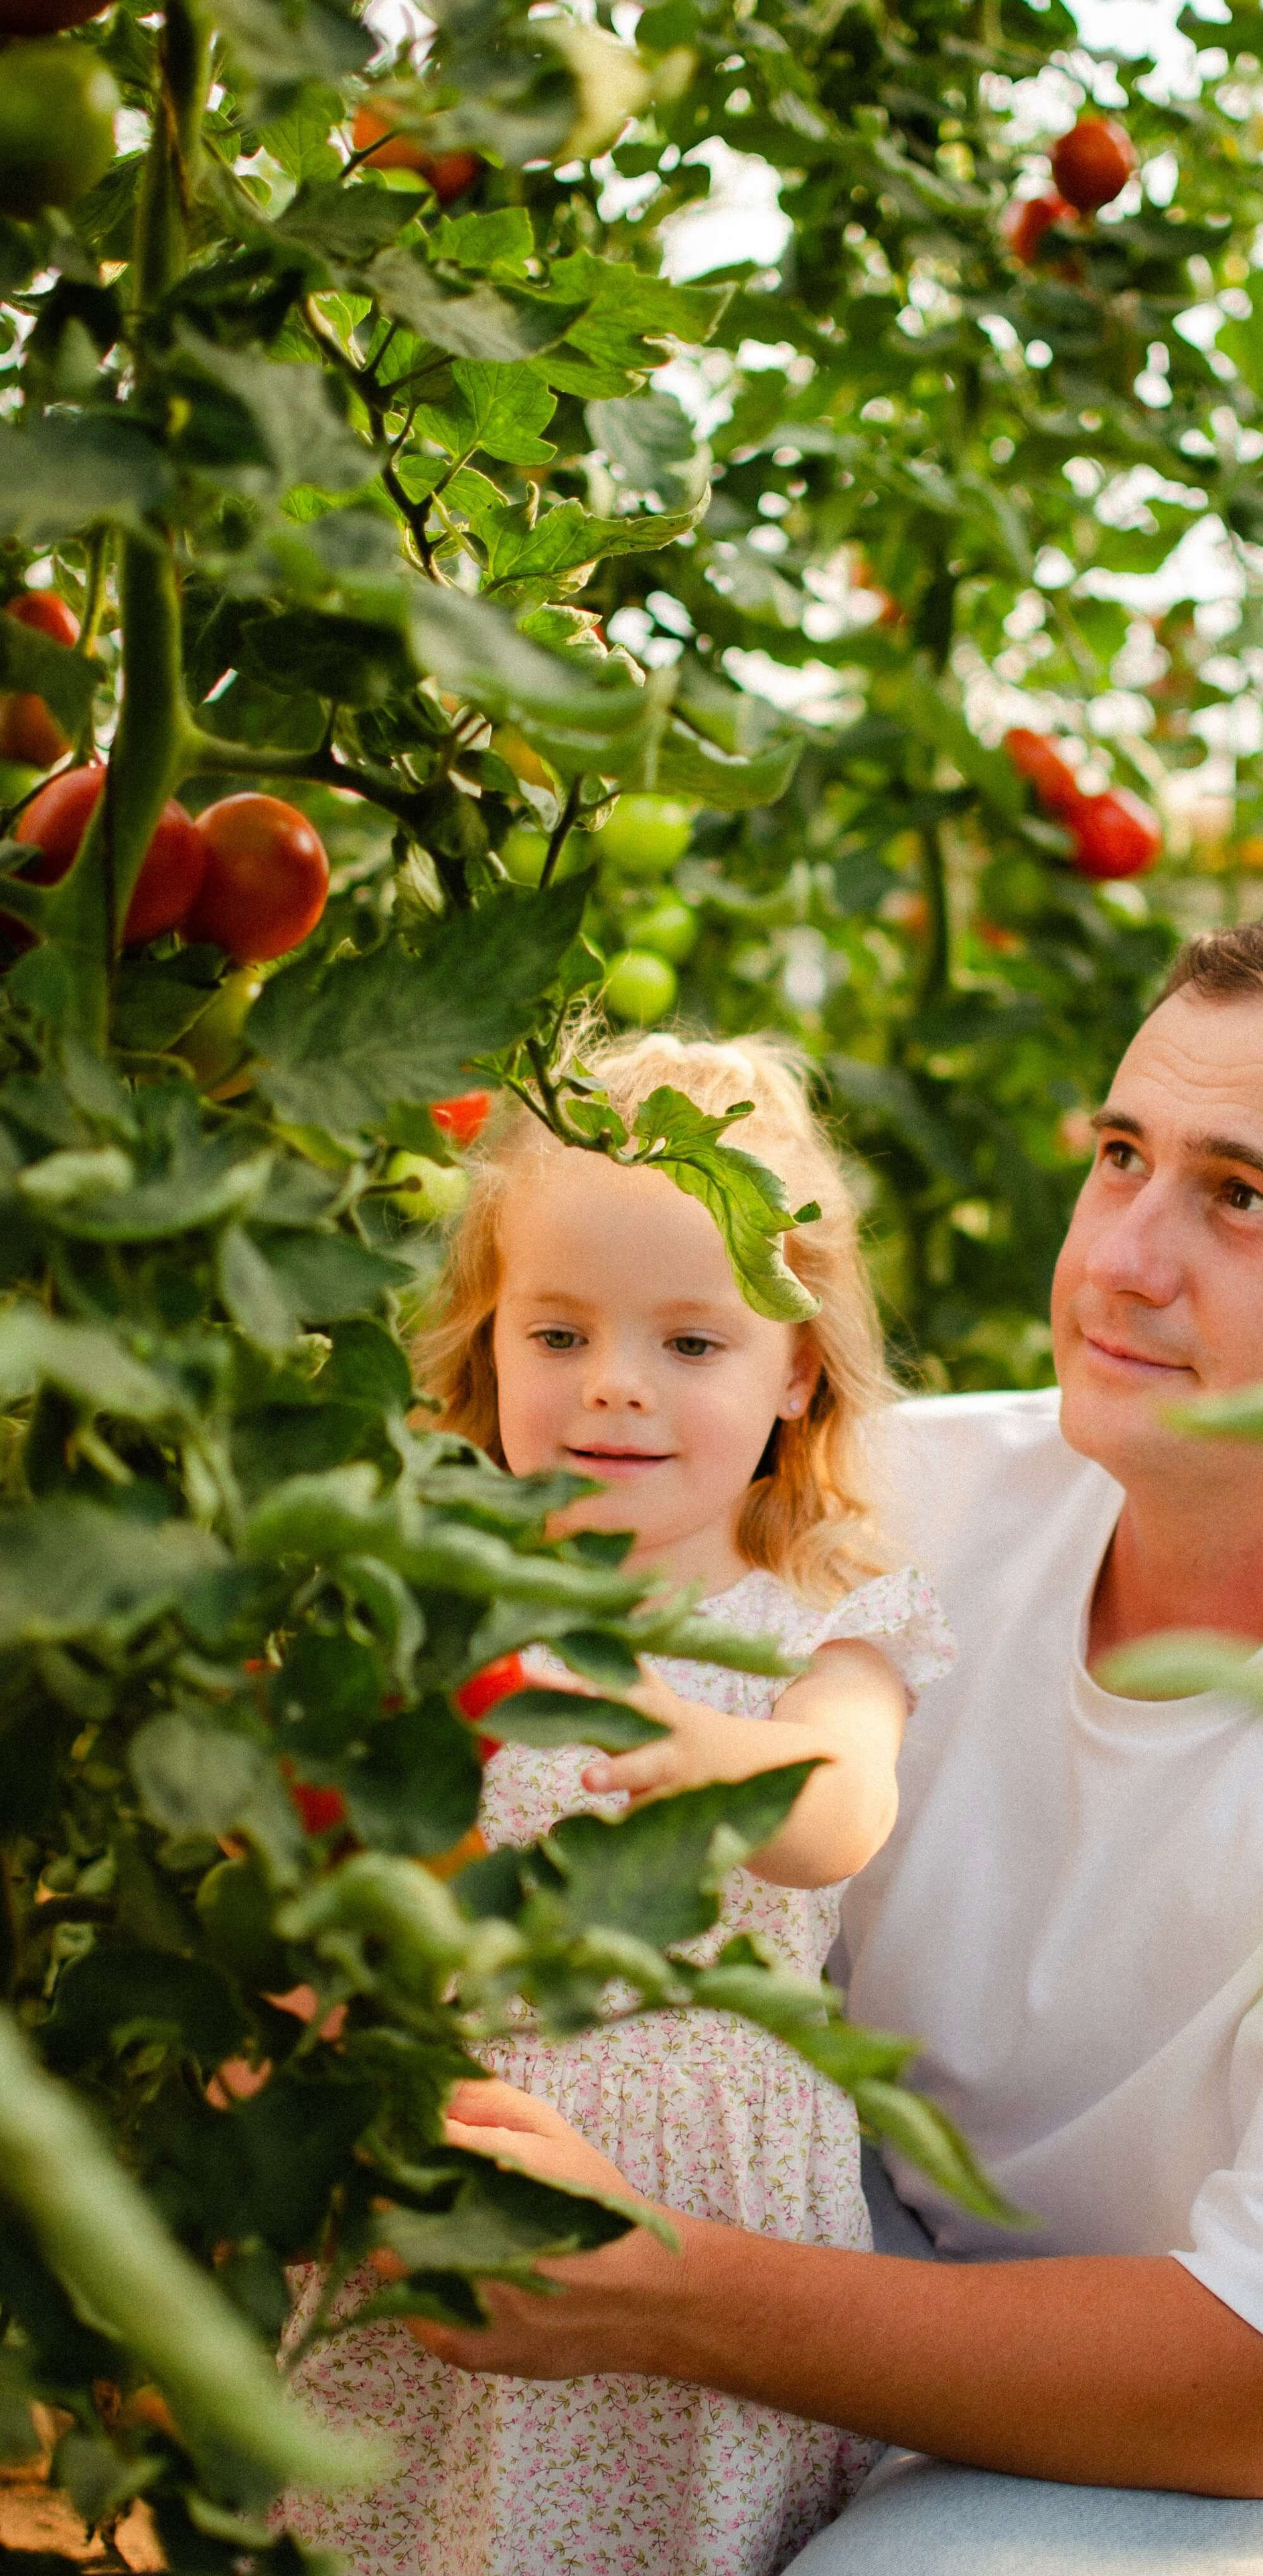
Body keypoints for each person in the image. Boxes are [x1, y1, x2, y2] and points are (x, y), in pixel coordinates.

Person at [404, 902, 1263, 2575]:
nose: (1120, 1258)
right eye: (1118, 1155)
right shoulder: (903, 1505)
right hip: (904, 2282)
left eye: (1238, 1198)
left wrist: (659, 2289)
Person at [283, 1030, 953, 2576]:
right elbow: (354, 1856)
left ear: (795, 1368)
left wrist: (698, 1749)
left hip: (697, 2210)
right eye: (560, 1334)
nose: (614, 1392)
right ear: (485, 1346)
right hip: (456, 2162)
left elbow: (839, 1808)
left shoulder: (822, 1630)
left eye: (690, 1346)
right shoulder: (438, 1604)